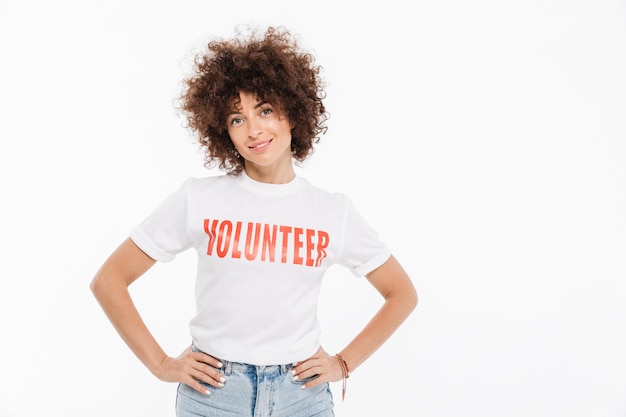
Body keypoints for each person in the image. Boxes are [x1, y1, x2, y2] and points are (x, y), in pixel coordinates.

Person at [90, 25, 418, 417]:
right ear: (222, 130)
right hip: (214, 394)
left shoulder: (333, 212)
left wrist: (343, 363)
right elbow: (109, 280)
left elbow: (402, 293)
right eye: (236, 118)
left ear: (293, 113)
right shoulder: (199, 198)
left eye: (264, 110)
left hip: (301, 395)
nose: (254, 129)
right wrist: (161, 365)